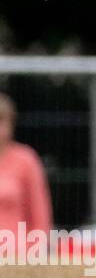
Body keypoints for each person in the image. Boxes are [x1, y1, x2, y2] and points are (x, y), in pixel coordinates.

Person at [0, 93, 53, 239]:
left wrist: (37, 250)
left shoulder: (26, 160)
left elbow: (40, 213)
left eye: (1, 121)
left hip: (17, 253)